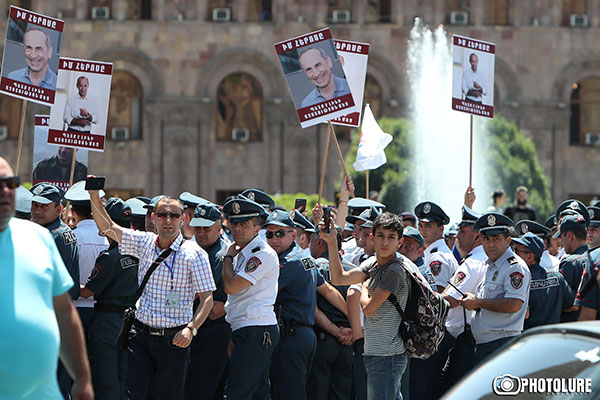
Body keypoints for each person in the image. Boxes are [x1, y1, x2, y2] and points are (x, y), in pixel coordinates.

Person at [87, 188, 216, 400]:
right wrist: (94, 197)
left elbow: (207, 299)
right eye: (163, 215)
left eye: (174, 215)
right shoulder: (144, 242)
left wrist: (191, 329)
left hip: (174, 340)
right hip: (140, 336)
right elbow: (108, 227)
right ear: (153, 218)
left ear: (183, 219)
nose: (168, 220)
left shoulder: (195, 254)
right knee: (133, 395)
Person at [0, 156, 93, 400]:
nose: (37, 210)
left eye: (10, 184)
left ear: (59, 209)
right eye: (35, 205)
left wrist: (83, 379)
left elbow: (65, 305)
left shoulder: (49, 237)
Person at [323, 212, 410, 400]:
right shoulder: (374, 263)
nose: (385, 242)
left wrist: (363, 286)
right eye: (381, 236)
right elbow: (338, 278)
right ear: (372, 237)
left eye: (391, 238)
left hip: (387, 356)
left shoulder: (394, 269)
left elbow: (369, 309)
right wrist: (331, 243)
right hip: (378, 353)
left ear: (400, 242)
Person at [220, 197, 280, 400]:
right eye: (234, 223)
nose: (237, 228)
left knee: (237, 392)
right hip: (247, 327)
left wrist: (227, 257)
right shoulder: (244, 252)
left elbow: (230, 286)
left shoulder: (260, 254)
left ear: (256, 228)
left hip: (255, 328)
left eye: (244, 224)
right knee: (258, 393)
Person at [79, 198, 138, 400]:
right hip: (131, 321)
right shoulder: (141, 251)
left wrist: (63, 285)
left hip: (107, 323)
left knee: (106, 381)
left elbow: (87, 291)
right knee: (124, 377)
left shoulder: (111, 256)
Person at [461, 213, 531, 364]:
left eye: (496, 239)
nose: (491, 244)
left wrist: (478, 303)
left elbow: (514, 304)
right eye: (486, 239)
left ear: (508, 241)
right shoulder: (490, 264)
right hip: (489, 344)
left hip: (501, 343)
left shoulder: (514, 266)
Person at [264, 210, 320, 400]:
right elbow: (326, 290)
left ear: (294, 234)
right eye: (269, 234)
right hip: (301, 333)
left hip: (291, 336)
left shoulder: (288, 262)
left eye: (279, 234)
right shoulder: (304, 257)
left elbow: (262, 292)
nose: (273, 239)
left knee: (288, 392)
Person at [185, 203, 231, 400]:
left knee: (200, 389)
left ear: (219, 227)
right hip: (204, 329)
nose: (201, 233)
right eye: (197, 228)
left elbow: (192, 292)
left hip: (212, 332)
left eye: (207, 228)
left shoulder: (217, 255)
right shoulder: (201, 250)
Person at [440, 206, 487, 392]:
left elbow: (449, 299)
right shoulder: (487, 259)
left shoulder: (472, 263)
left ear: (477, 236)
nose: (457, 236)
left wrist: (425, 298)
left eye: (462, 231)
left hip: (463, 341)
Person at [65, 181, 109, 342]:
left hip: (75, 308)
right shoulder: (109, 239)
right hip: (105, 311)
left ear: (73, 211)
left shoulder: (70, 239)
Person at [511, 233, 574, 329]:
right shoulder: (557, 277)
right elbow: (572, 306)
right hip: (552, 337)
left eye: (516, 251)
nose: (513, 254)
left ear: (530, 257)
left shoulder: (521, 281)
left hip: (529, 338)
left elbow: (524, 314)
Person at [554, 214, 589, 322]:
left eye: (561, 237)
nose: (561, 243)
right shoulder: (596, 257)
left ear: (569, 236)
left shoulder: (570, 263)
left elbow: (565, 302)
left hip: (573, 328)